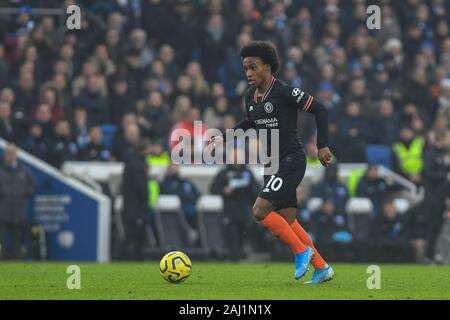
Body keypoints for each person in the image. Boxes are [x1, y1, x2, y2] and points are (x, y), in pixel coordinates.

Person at [208, 41, 334, 283]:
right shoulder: (250, 97)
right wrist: (223, 137)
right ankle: (322, 268)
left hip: (291, 160)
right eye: (245, 68)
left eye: (253, 67)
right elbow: (250, 123)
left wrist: (321, 145)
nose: (248, 73)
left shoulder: (285, 92)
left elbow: (321, 110)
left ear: (267, 67)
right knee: (287, 220)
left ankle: (301, 251)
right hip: (272, 163)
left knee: (259, 211)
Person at [0, 143, 35, 259]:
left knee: (17, 247)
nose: (10, 155)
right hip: (2, 214)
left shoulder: (24, 171)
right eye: (8, 153)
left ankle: (16, 273)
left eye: (12, 153)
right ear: (4, 154)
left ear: (16, 154)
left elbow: (32, 187)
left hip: (19, 214)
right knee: (2, 246)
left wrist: (23, 193)